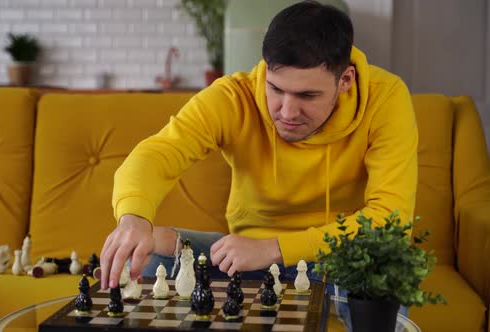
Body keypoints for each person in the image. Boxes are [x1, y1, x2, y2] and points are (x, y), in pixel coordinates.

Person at [101, 0, 416, 327]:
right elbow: (158, 153)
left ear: (345, 80)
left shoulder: (385, 97)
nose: (287, 111)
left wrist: (277, 248)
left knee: (384, 265)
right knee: (158, 249)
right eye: (276, 89)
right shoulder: (233, 97)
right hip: (250, 256)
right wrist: (133, 217)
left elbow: (390, 221)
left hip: (342, 257)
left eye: (308, 96)